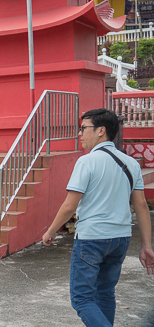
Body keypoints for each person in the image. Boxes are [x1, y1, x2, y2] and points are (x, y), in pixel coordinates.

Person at [43, 108, 154, 326]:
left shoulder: (87, 162)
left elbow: (69, 206)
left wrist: (50, 231)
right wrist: (146, 245)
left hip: (91, 239)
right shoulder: (131, 163)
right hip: (121, 238)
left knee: (82, 299)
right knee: (105, 293)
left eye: (84, 128)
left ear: (101, 131)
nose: (80, 133)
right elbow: (141, 205)